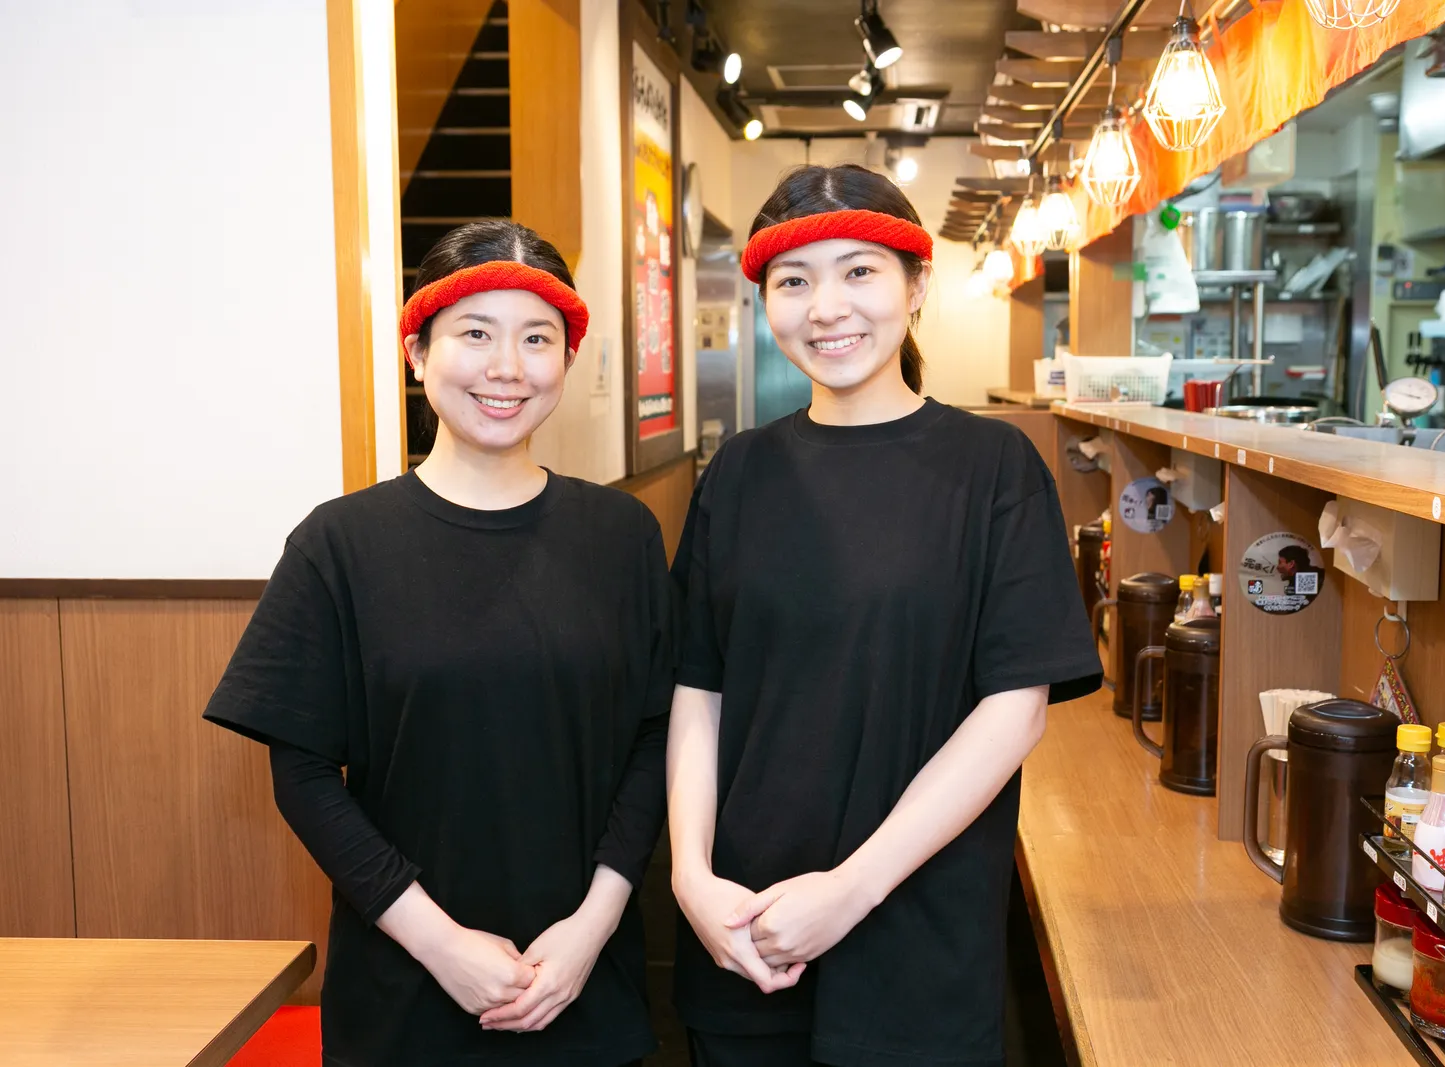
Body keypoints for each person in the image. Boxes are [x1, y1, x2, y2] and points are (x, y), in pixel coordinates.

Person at [203, 220, 674, 1067]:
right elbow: (304, 774)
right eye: (475, 334)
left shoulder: (623, 536)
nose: (507, 367)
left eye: (537, 339)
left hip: (585, 986)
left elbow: (654, 737)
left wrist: (590, 929)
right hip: (404, 999)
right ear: (418, 352)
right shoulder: (339, 543)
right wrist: (441, 943)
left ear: (567, 359)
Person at [666, 164, 1102, 1067]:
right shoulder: (738, 474)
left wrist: (850, 890)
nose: (826, 307)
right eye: (794, 281)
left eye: (859, 271)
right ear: (765, 302)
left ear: (917, 287)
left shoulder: (995, 467)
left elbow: (1013, 709)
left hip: (917, 935)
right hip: (746, 933)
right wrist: (689, 875)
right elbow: (696, 690)